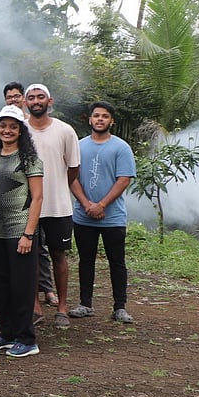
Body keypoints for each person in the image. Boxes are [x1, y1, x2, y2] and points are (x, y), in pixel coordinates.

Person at [0, 105, 44, 357]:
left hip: (20, 232)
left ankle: (27, 339)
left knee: (22, 285)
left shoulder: (29, 160)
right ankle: (7, 334)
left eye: (13, 127)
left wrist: (28, 234)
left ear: (20, 131)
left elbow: (37, 199)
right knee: (0, 285)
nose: (7, 130)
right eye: (3, 126)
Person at [68, 101, 135, 323]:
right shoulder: (78, 146)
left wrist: (101, 205)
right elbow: (72, 177)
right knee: (85, 261)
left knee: (117, 261)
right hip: (82, 215)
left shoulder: (121, 147)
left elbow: (123, 179)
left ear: (111, 121)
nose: (100, 119)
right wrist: (87, 204)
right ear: (90, 119)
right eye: (96, 115)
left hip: (112, 217)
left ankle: (120, 307)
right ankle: (85, 304)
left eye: (104, 116)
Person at [25, 83, 80, 329]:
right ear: (25, 102)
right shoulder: (20, 130)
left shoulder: (65, 131)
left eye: (40, 97)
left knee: (59, 255)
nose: (36, 101)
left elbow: (73, 167)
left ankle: (62, 308)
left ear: (50, 101)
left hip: (58, 206)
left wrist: (56, 186)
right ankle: (35, 306)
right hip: (27, 206)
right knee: (30, 256)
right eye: (31, 97)